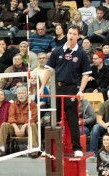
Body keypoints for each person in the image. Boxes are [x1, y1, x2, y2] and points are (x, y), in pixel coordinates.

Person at [42, 25, 92, 157]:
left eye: (74, 34)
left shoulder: (81, 54)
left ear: (78, 36)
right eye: (69, 33)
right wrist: (42, 87)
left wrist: (81, 90)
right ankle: (52, 147)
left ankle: (77, 148)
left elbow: (86, 74)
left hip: (71, 89)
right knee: (54, 119)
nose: (71, 36)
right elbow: (48, 70)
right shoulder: (57, 51)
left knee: (72, 119)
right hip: (56, 89)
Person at [0, 86, 40, 159]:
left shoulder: (32, 104)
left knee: (33, 124)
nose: (21, 95)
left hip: (27, 126)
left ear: (26, 94)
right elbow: (11, 117)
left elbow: (33, 117)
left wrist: (23, 127)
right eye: (19, 93)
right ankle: (2, 148)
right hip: (15, 126)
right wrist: (16, 128)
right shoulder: (13, 104)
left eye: (23, 93)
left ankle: (34, 149)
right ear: (17, 95)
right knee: (4, 125)